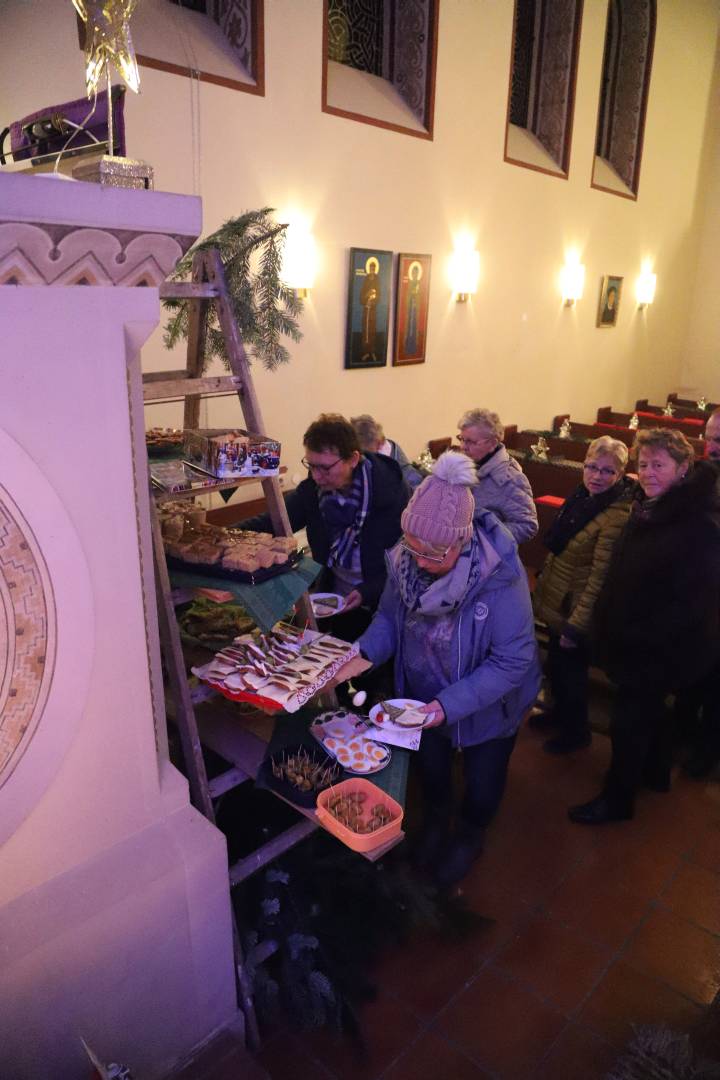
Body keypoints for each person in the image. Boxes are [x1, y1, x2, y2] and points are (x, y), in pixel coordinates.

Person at [334, 451, 540, 887]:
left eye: (434, 553)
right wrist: (362, 653)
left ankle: (469, 836)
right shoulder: (407, 559)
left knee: (483, 785)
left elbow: (513, 659)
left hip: (487, 703)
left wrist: (448, 706)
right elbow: (390, 617)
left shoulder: (500, 575)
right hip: (422, 692)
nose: (421, 561)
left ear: (462, 542)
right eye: (414, 548)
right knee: (432, 770)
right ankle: (435, 823)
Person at [569, 429, 720, 825]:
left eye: (658, 465)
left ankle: (617, 800)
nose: (648, 473)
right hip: (636, 637)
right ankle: (655, 775)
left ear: (683, 468)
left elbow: (692, 603)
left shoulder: (697, 523)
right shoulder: (649, 505)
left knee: (629, 724)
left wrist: (636, 632)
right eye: (643, 464)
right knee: (647, 714)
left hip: (659, 646)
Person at [240, 413, 408, 636]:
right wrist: (221, 534)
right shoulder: (313, 491)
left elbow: (407, 559)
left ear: (353, 459)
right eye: (311, 465)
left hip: (384, 606)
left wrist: (369, 591)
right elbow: (272, 522)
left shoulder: (390, 490)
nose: (317, 476)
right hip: (337, 603)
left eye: (325, 468)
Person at [532, 437, 634, 754]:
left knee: (572, 676)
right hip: (559, 599)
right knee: (558, 669)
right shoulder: (584, 497)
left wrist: (577, 625)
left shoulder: (616, 514)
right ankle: (558, 715)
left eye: (607, 471)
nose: (597, 476)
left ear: (620, 474)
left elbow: (599, 579)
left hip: (576, 609)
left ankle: (576, 732)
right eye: (592, 467)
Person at [457, 407, 538, 544]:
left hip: (486, 558)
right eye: (462, 439)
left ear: (493, 443)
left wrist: (482, 536)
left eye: (470, 441)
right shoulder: (462, 465)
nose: (463, 447)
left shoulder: (511, 479)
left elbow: (527, 526)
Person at [350, 414, 424, 489]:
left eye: (364, 452)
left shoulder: (400, 466)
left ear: (379, 444)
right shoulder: (375, 448)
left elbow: (416, 489)